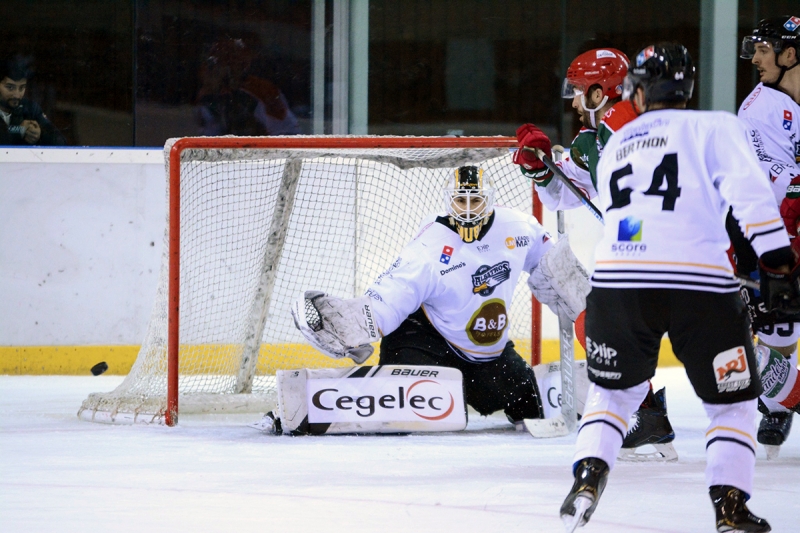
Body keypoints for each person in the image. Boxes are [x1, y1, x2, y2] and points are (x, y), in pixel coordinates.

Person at [559, 43, 798, 533]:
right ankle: (729, 508)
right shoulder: (716, 125)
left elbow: (620, 213)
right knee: (730, 404)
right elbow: (752, 200)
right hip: (699, 284)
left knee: (611, 393)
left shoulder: (620, 142)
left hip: (618, 280)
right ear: (686, 89)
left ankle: (587, 477)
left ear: (639, 93)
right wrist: (778, 267)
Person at [278, 165, 592, 434]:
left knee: (530, 406)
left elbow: (555, 269)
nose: (468, 208)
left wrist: (592, 313)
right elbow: (389, 298)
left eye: (476, 200)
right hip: (425, 342)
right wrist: (348, 323)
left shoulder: (519, 228)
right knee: (430, 410)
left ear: (491, 202)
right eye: (460, 200)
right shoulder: (429, 247)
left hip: (488, 354)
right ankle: (327, 401)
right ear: (448, 202)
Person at [512, 47, 675, 461]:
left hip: (672, 244)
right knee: (602, 324)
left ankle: (647, 413)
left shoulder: (632, 122)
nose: (573, 101)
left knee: (727, 347)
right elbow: (565, 196)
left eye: (580, 91)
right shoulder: (591, 140)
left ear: (602, 92)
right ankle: (647, 415)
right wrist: (542, 167)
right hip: (643, 244)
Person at [735, 15, 800, 456]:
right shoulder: (757, 109)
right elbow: (773, 185)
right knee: (779, 317)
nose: (756, 59)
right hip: (779, 230)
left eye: (764, 49)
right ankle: (778, 406)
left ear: (790, 54)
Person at [194, 38, 300, 137]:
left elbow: (288, 133)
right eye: (211, 65)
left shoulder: (262, 90)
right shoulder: (206, 96)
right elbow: (206, 137)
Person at [0, 56, 65, 146]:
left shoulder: (30, 108)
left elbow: (60, 140)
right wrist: (20, 131)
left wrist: (40, 134)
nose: (16, 94)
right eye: (10, 87)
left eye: (22, 88)